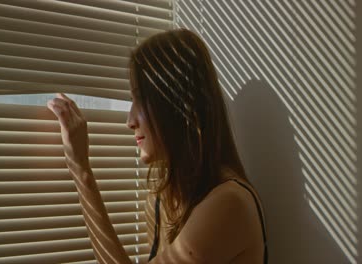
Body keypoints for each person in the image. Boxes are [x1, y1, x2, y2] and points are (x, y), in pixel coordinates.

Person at [47, 28, 267, 264]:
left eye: (140, 98)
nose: (130, 121)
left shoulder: (227, 204)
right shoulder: (166, 199)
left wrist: (81, 170)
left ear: (178, 103)